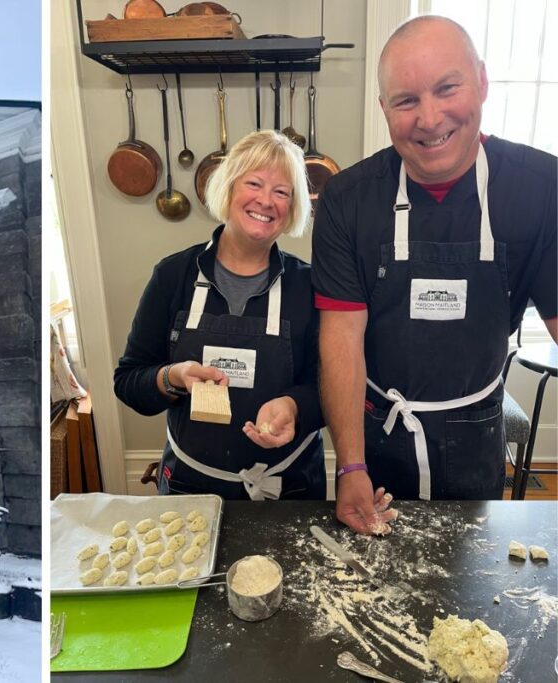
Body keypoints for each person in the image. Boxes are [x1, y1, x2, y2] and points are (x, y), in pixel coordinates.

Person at [312, 16, 558, 535]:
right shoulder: (347, 200)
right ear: (384, 110)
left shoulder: (540, 189)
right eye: (405, 101)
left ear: (482, 81)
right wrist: (350, 465)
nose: (429, 118)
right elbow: (341, 339)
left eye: (447, 88)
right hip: (376, 434)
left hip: (477, 432)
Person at [114, 130, 326, 501]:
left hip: (288, 488)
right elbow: (129, 381)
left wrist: (295, 406)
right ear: (228, 189)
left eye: (282, 192)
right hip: (190, 488)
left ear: (292, 208)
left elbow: (331, 387)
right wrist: (173, 377)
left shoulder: (308, 286)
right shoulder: (172, 276)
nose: (266, 200)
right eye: (255, 183)